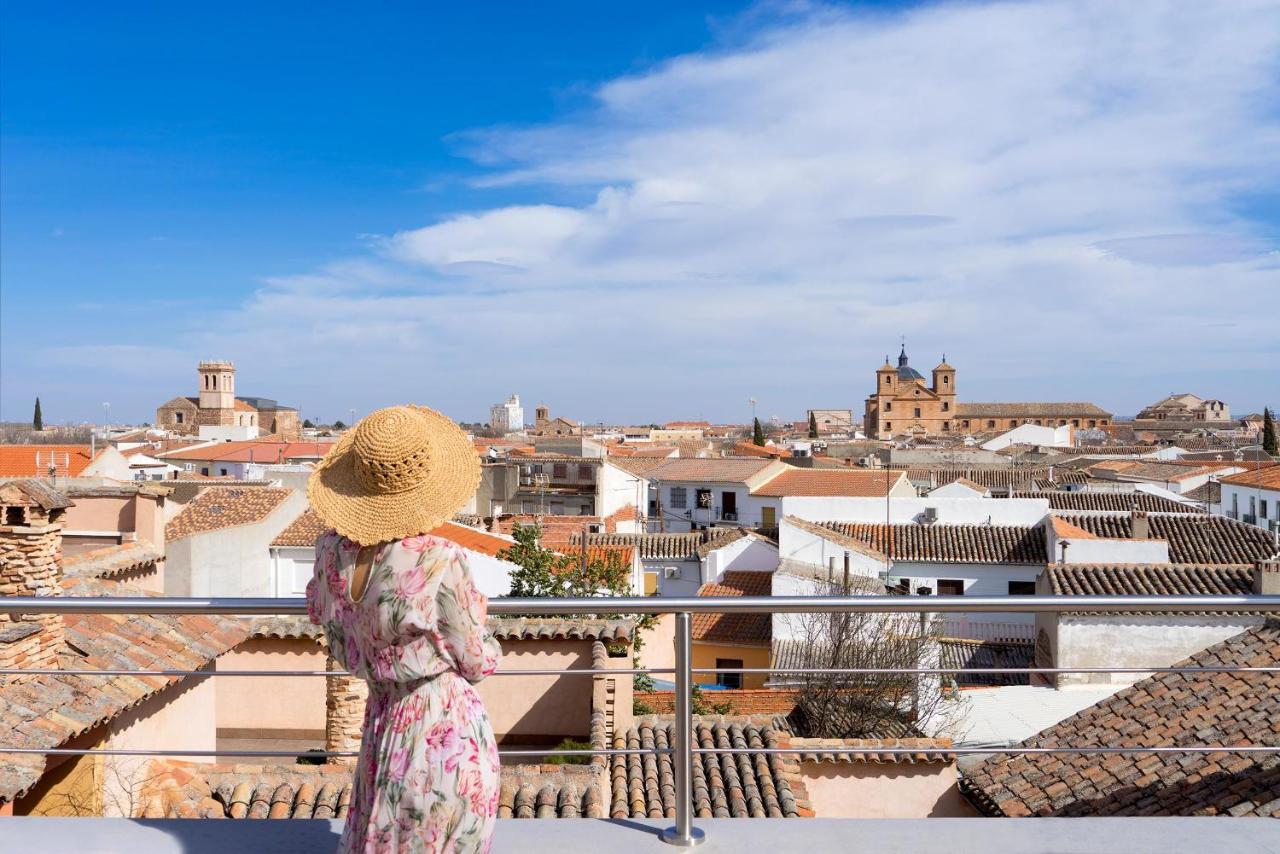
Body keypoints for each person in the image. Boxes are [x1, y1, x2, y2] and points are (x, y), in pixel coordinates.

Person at [306, 404, 501, 852]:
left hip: (381, 720)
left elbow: (338, 637)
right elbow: (475, 663)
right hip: (441, 727)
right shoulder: (437, 558)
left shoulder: (328, 552)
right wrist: (481, 624)